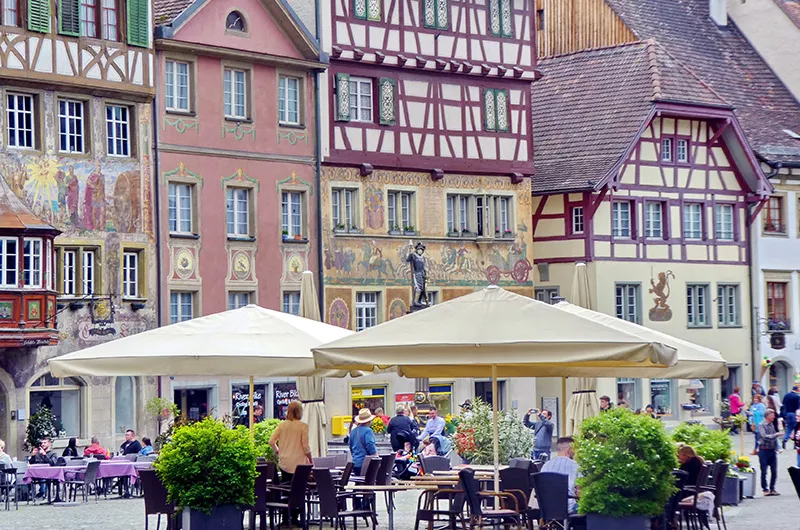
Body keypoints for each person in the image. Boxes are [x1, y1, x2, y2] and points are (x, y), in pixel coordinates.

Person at [269, 401, 312, 483]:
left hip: (284, 463)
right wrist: (310, 459)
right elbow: (305, 447)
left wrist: (277, 451)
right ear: (300, 412)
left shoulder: (282, 425)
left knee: (286, 486)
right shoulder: (303, 426)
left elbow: (271, 441)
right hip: (300, 464)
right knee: (299, 489)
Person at [541, 437, 580, 514]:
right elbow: (579, 492)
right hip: (568, 508)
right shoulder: (575, 466)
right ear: (569, 449)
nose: (575, 453)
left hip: (546, 508)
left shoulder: (545, 465)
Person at [758, 410, 782, 496]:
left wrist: (777, 448)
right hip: (764, 450)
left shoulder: (771, 425)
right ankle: (765, 489)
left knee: (774, 471)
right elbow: (764, 436)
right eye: (772, 415)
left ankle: (772, 488)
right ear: (767, 416)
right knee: (764, 471)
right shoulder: (761, 425)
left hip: (772, 451)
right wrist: (776, 435)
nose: (774, 417)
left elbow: (774, 439)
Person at [349, 408, 378, 475]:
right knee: (368, 482)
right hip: (366, 463)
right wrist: (375, 455)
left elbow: (350, 446)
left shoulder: (353, 432)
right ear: (369, 421)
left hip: (355, 463)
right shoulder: (368, 431)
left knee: (358, 482)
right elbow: (370, 445)